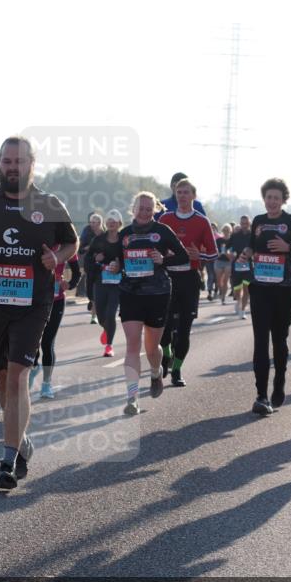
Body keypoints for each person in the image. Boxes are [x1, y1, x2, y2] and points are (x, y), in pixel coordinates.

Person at [0, 136, 77, 490]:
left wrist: (58, 257)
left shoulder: (48, 203)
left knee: (19, 376)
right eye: (6, 161)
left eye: (18, 161)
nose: (11, 167)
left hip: (33, 303)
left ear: (31, 164)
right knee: (3, 378)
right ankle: (20, 441)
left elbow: (72, 241)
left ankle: (7, 461)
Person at [109, 192, 188, 415]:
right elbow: (117, 260)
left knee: (152, 348)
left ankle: (155, 371)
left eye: (148, 209)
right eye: (140, 208)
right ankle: (132, 398)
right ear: (132, 209)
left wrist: (164, 260)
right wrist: (115, 267)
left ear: (154, 210)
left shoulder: (162, 231)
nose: (144, 212)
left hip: (158, 293)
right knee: (133, 345)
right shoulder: (124, 235)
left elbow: (183, 256)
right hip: (130, 293)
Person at [245, 178, 291, 415]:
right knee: (260, 341)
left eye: (276, 198)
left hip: (285, 288)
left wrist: (289, 248)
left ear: (283, 200)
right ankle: (261, 395)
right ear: (264, 198)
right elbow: (252, 246)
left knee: (279, 340)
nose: (272, 202)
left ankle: (279, 382)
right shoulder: (258, 221)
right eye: (268, 197)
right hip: (260, 288)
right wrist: (245, 253)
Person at [157, 177, 217, 386]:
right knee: (163, 326)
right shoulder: (165, 219)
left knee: (184, 328)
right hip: (167, 277)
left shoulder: (202, 221)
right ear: (175, 195)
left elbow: (213, 253)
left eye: (186, 192)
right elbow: (155, 247)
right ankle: (165, 354)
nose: (182, 196)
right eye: (179, 192)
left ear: (194, 195)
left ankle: (177, 370)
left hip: (189, 279)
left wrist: (198, 255)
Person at [28, 248, 80, 398]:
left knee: (47, 342)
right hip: (33, 300)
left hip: (56, 300)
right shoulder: (35, 244)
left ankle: (46, 383)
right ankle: (33, 367)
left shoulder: (67, 248)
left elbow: (76, 273)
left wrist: (69, 285)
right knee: (32, 341)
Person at [90, 210, 124, 357]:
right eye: (109, 220)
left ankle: (109, 346)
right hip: (101, 282)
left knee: (111, 314)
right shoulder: (98, 240)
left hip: (118, 284)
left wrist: (120, 266)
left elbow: (129, 260)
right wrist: (96, 259)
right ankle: (107, 329)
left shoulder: (125, 240)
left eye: (114, 220)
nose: (111, 222)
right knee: (102, 315)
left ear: (120, 224)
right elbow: (88, 260)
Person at [79, 213, 104, 322]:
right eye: (91, 222)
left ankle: (94, 316)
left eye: (94, 222)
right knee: (90, 290)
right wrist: (88, 248)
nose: (92, 224)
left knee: (98, 290)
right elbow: (80, 250)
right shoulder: (87, 232)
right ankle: (91, 301)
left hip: (102, 266)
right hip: (89, 265)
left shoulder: (104, 234)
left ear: (99, 223)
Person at [229, 215, 253, 318]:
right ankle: (238, 301)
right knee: (237, 291)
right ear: (240, 223)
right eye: (242, 223)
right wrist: (230, 253)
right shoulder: (235, 235)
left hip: (248, 266)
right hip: (237, 266)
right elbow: (228, 247)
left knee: (246, 289)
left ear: (249, 223)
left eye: (246, 223)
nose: (244, 225)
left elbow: (256, 249)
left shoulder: (253, 236)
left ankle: (242, 311)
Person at [212, 222, 233, 303]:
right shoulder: (218, 240)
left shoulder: (232, 240)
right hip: (219, 261)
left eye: (227, 230)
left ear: (230, 231)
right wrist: (220, 253)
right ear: (222, 230)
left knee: (225, 280)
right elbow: (214, 251)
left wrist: (228, 254)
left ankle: (223, 297)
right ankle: (221, 292)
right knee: (218, 280)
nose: (226, 231)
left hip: (228, 262)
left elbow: (233, 253)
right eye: (224, 230)